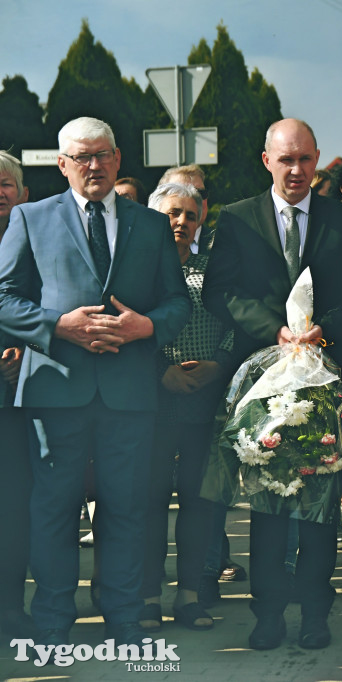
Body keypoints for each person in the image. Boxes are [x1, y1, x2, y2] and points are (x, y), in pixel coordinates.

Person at [0, 116, 191, 649]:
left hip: (129, 394)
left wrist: (145, 327)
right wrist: (59, 326)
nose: (94, 165)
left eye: (103, 154)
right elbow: (3, 298)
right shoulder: (32, 219)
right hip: (54, 392)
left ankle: (124, 617)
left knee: (127, 508)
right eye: (81, 157)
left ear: (118, 158)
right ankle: (54, 622)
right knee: (54, 511)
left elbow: (178, 301)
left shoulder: (150, 225)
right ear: (62, 165)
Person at [201, 118, 342, 651]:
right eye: (286, 160)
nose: (296, 170)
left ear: (317, 159)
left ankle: (315, 612)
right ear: (266, 161)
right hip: (262, 378)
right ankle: (269, 614)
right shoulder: (235, 219)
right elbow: (221, 293)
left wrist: (328, 330)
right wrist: (271, 331)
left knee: (321, 500)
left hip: (326, 376)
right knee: (269, 500)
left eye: (305, 159)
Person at [138, 182, 236, 633]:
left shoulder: (212, 270)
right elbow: (127, 330)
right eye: (172, 214)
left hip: (205, 403)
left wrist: (219, 366)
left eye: (190, 216)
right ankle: (148, 597)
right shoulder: (136, 271)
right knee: (151, 501)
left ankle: (191, 597)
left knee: (199, 502)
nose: (181, 222)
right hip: (152, 401)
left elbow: (239, 321)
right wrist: (163, 371)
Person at [0, 150, 34, 640]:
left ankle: (9, 606)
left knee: (14, 508)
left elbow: (57, 306)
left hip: (18, 401)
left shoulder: (38, 238)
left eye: (5, 183)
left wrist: (30, 354)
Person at [159, 164, 213, 254]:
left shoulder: (222, 245)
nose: (194, 200)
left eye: (200, 193)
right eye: (181, 193)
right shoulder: (144, 245)